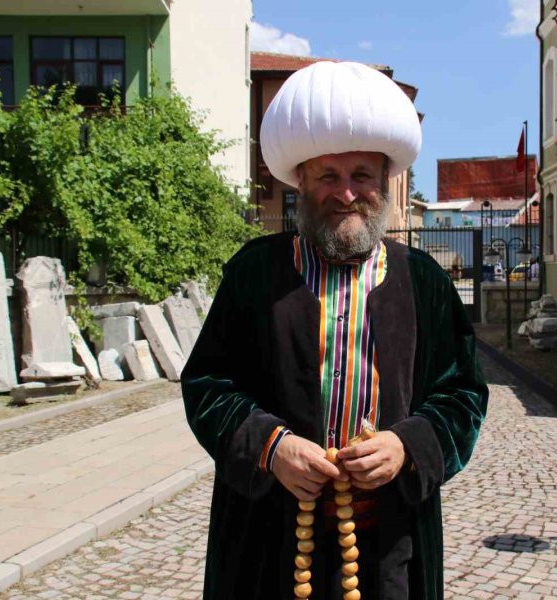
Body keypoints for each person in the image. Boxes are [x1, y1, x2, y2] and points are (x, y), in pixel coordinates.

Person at [181, 61, 488, 600]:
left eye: (361, 176)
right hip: (268, 537)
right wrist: (271, 447)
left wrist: (407, 444)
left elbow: (462, 393)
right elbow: (208, 383)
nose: (346, 193)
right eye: (328, 176)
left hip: (390, 536)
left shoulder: (424, 282)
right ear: (301, 181)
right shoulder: (256, 274)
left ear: (385, 182)